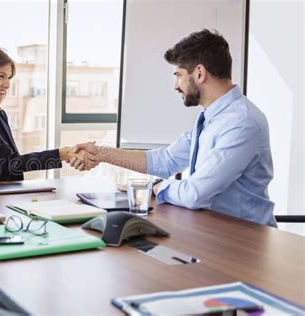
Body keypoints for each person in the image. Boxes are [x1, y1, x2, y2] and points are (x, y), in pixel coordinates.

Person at [72, 29, 276, 227]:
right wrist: (100, 153)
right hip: (212, 232)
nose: (175, 85)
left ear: (199, 73)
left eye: (178, 75)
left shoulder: (241, 123)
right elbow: (166, 160)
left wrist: (156, 186)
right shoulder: (212, 117)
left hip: (246, 243)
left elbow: (195, 194)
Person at [0, 46, 84, 183]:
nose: (7, 84)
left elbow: (13, 159)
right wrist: (62, 154)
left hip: (5, 193)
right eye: (1, 76)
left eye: (9, 77)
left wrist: (66, 153)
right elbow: (10, 162)